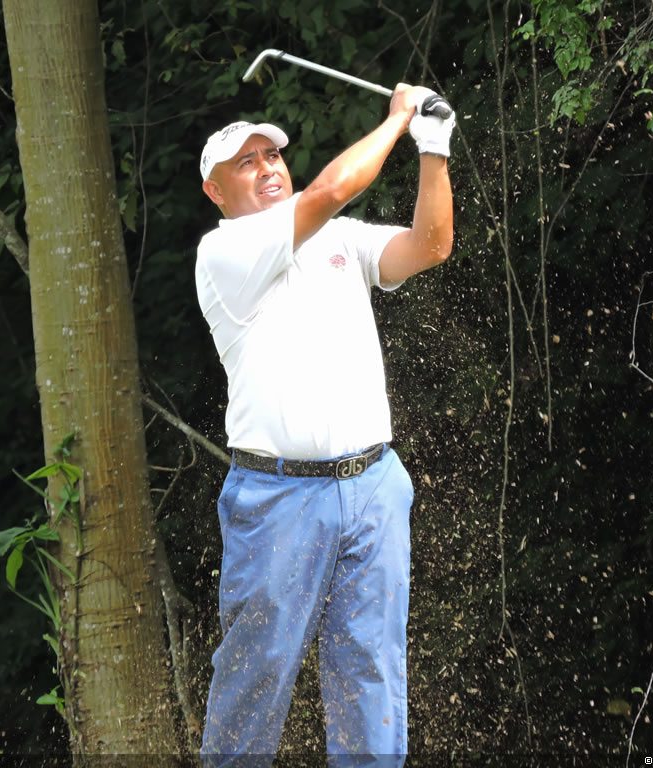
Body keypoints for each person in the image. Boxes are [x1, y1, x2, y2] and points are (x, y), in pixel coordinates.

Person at [195, 83, 455, 765]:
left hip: (373, 486)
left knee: (370, 665)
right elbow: (334, 187)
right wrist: (399, 119)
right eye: (245, 163)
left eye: (271, 156)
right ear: (215, 191)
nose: (266, 168)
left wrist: (433, 147)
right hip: (278, 498)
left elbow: (431, 245)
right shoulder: (223, 253)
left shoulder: (339, 239)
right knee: (256, 672)